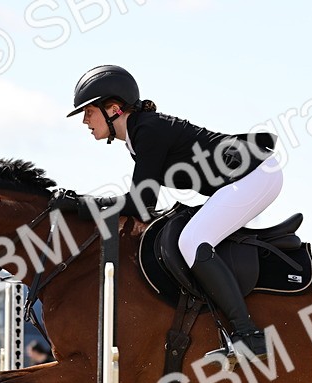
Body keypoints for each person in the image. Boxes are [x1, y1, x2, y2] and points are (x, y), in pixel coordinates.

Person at [60, 64, 282, 363]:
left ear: (113, 109)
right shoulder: (140, 133)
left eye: (89, 112)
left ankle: (248, 335)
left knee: (192, 241)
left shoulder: (147, 130)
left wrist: (82, 204)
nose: (85, 120)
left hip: (255, 174)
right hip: (248, 176)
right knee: (189, 236)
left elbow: (140, 203)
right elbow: (145, 205)